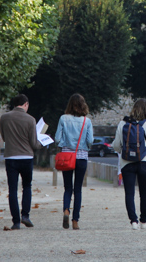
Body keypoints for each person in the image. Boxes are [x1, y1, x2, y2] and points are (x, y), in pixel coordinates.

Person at [112, 98, 146, 230]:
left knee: (129, 193)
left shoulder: (123, 123)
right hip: (143, 161)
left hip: (127, 162)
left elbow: (116, 146)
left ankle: (133, 221)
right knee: (144, 192)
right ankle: (143, 220)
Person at [0, 94, 42, 230]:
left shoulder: (4, 118)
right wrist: (43, 142)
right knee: (27, 187)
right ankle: (25, 215)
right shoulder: (30, 120)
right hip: (26, 157)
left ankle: (16, 221)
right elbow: (34, 144)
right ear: (26, 104)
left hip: (11, 157)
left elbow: (4, 137)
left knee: (12, 190)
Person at [55, 93, 93, 230]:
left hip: (66, 157)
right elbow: (90, 141)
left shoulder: (63, 118)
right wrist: (85, 147)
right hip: (81, 157)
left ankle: (66, 210)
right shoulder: (86, 121)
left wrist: (65, 144)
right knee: (78, 189)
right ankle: (75, 220)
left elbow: (58, 139)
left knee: (67, 188)